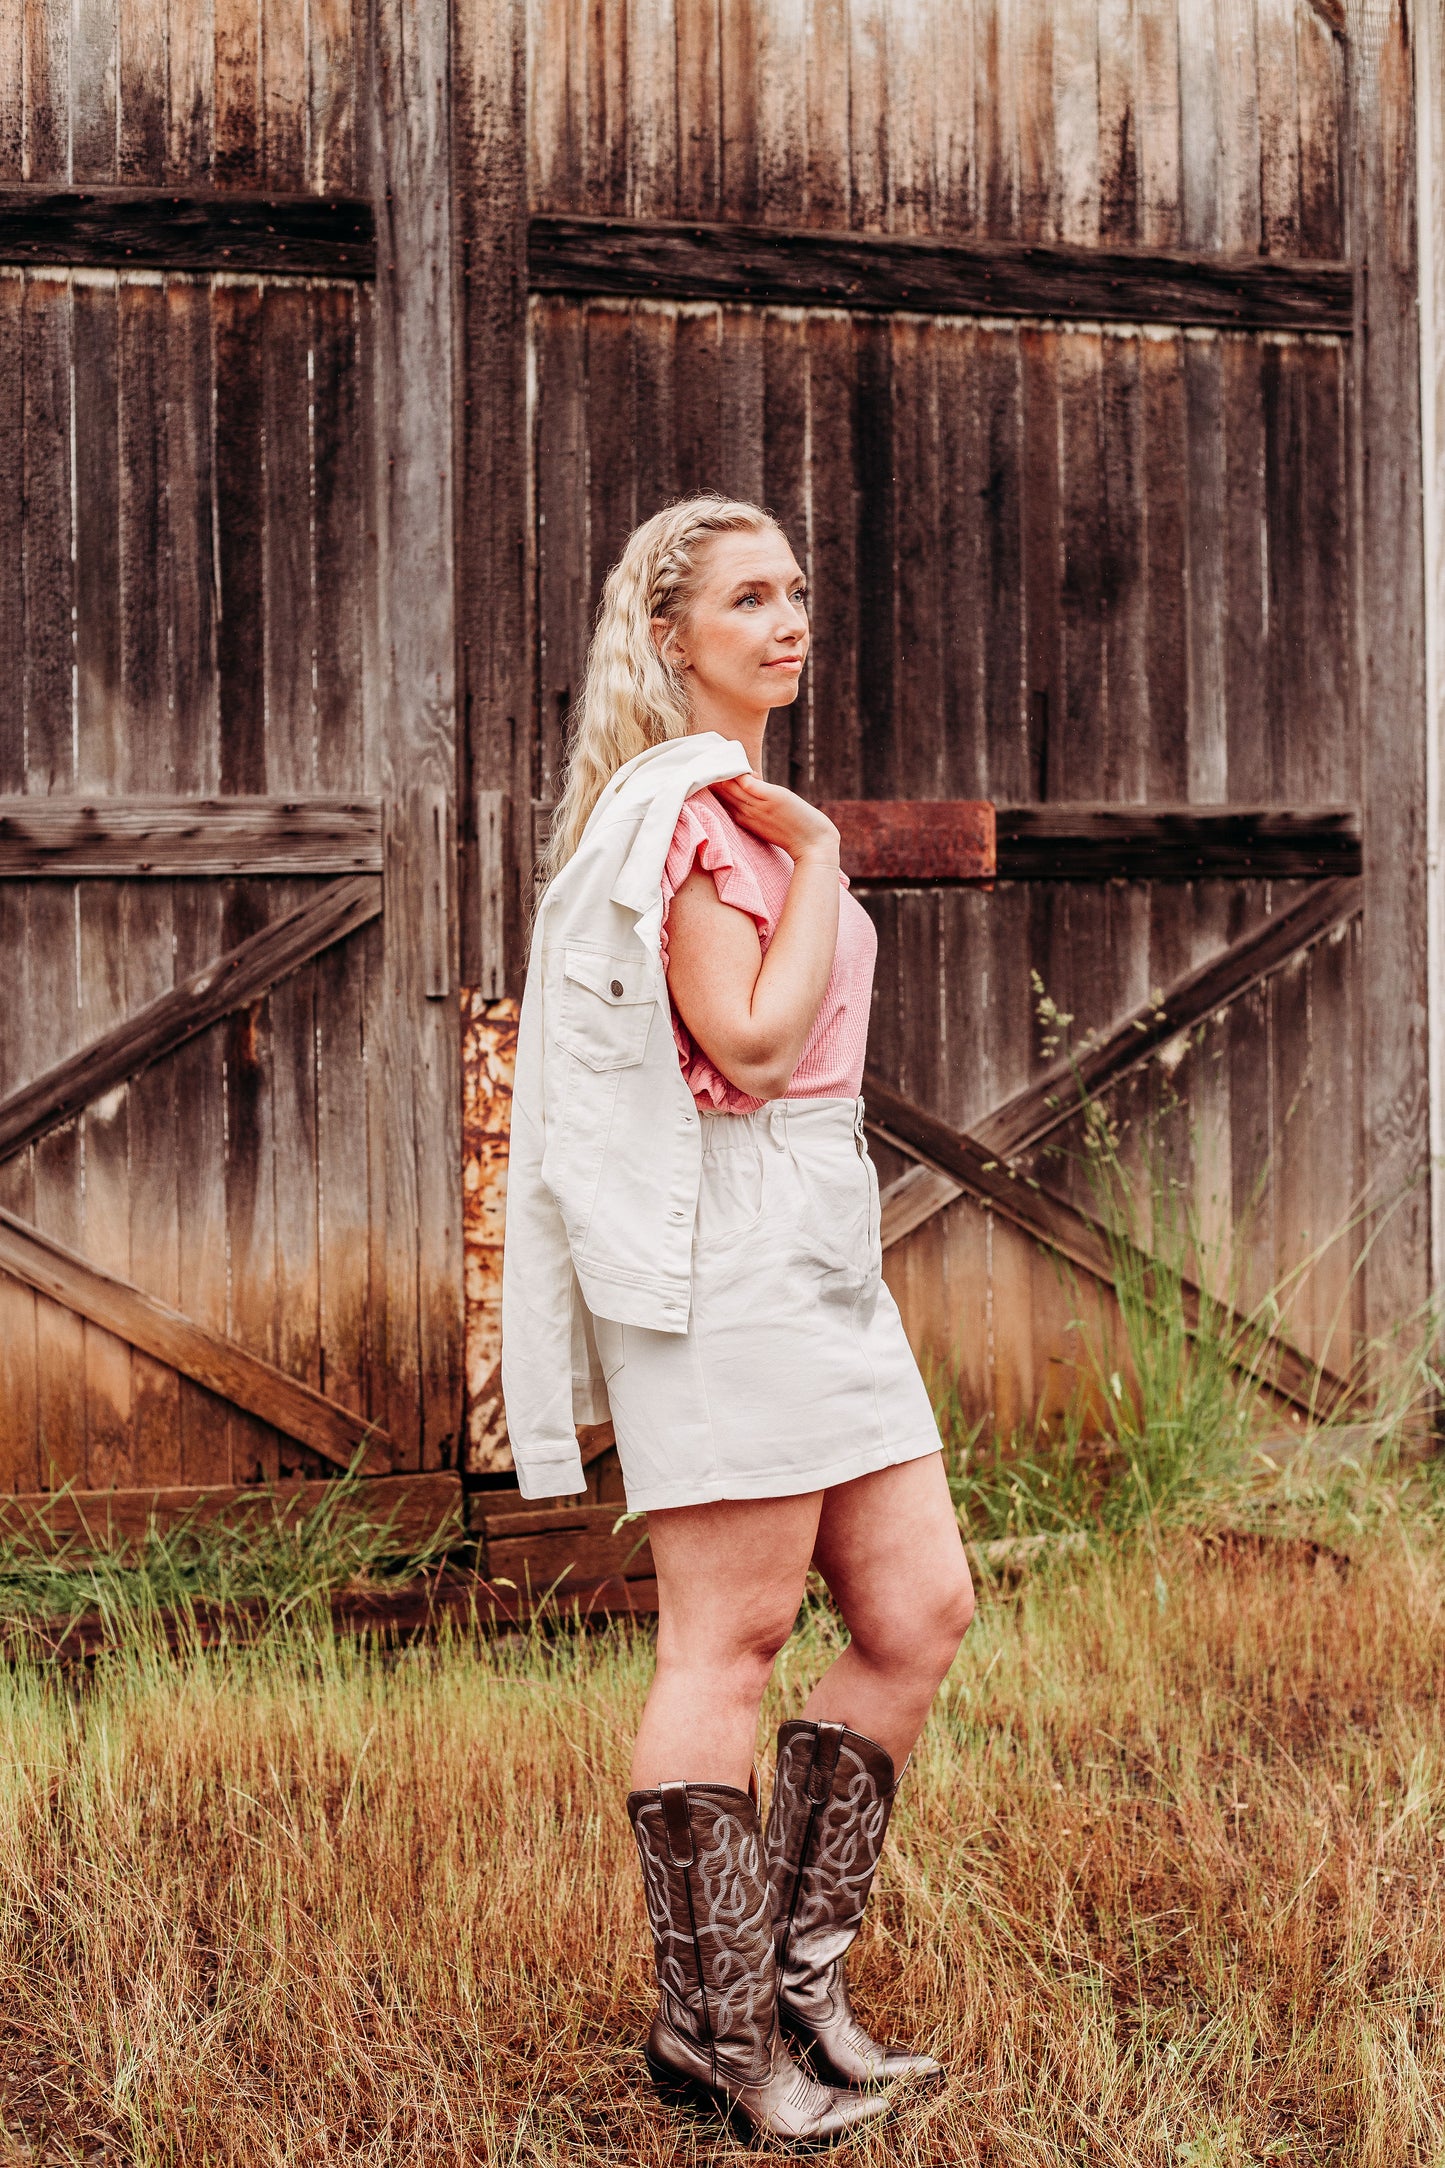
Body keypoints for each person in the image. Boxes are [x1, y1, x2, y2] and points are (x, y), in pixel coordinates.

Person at [501, 496, 975, 2146]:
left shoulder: (743, 809)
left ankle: (790, 1986)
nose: (788, 621)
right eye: (748, 599)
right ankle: (712, 2039)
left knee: (919, 1609)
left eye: (797, 591)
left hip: (816, 1240)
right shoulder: (689, 822)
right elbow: (755, 1047)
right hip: (726, 1250)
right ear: (666, 634)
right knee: (730, 1638)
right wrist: (827, 856)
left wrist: (809, 841)